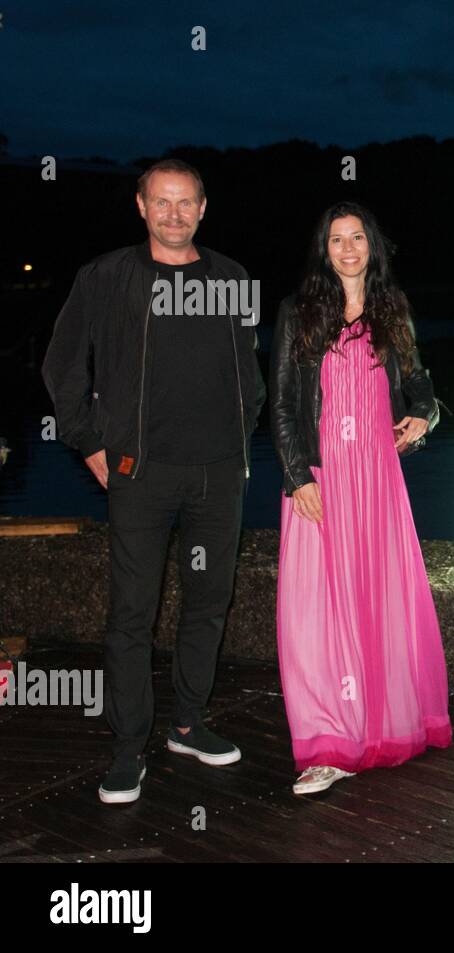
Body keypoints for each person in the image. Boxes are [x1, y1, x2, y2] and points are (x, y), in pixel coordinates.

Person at [42, 158, 265, 804]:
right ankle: (126, 748)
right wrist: (89, 441)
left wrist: (242, 433)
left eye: (185, 202)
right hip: (139, 471)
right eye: (161, 202)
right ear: (141, 206)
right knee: (131, 614)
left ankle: (189, 723)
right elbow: (61, 364)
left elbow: (249, 372)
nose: (173, 213)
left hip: (218, 473)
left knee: (208, 600)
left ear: (203, 207)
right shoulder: (106, 277)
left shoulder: (231, 276)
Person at [272, 201, 451, 795]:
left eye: (357, 238)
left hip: (377, 479)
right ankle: (327, 743)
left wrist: (424, 416)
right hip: (321, 481)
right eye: (336, 240)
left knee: (379, 603)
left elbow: (421, 385)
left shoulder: (392, 310)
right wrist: (297, 477)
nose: (348, 249)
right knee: (315, 616)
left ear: (372, 245)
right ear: (323, 249)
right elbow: (280, 406)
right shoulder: (298, 313)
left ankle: (384, 727)